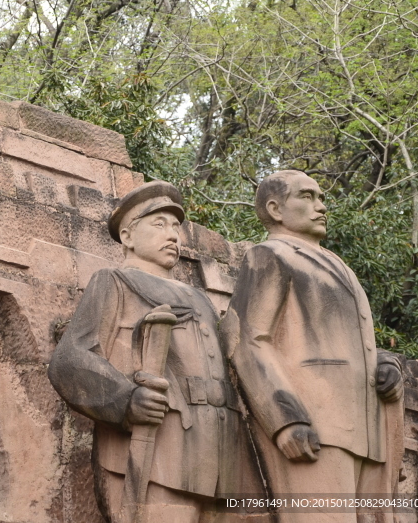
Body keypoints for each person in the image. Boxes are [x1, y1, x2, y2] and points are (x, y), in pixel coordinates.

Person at [48, 181, 263, 523]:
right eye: (159, 224)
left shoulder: (201, 299)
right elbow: (69, 359)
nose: (173, 235)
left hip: (224, 452)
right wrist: (126, 399)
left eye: (176, 226)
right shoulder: (113, 281)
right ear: (128, 236)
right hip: (161, 450)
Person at [223, 170, 403, 523]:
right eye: (307, 197)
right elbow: (246, 340)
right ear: (275, 209)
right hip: (316, 420)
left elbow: (347, 345)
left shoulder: (341, 266)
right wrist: (285, 419)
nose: (321, 207)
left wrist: (384, 365)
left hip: (364, 427)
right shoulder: (270, 255)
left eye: (321, 198)